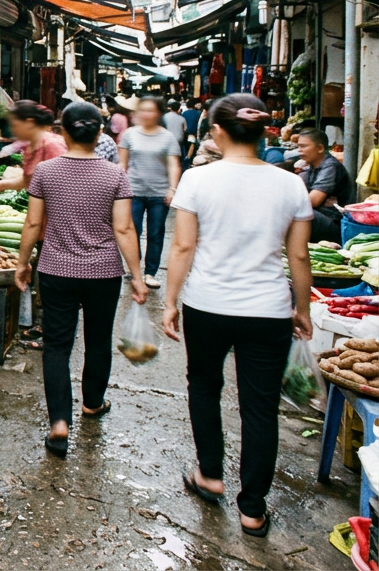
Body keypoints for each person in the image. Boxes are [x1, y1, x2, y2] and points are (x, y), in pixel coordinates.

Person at [163, 93, 313, 539]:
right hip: (267, 310)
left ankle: (210, 474)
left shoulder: (197, 179)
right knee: (260, 407)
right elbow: (298, 255)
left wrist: (170, 301)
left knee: (205, 388)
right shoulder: (291, 184)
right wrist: (301, 309)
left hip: (207, 304)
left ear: (217, 132)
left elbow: (184, 247)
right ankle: (252, 509)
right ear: (266, 131)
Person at [15, 102, 148, 458]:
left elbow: (31, 224)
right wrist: (137, 277)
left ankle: (60, 423)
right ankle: (92, 403)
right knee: (98, 340)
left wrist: (22, 262)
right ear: (100, 133)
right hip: (103, 272)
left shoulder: (46, 172)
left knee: (57, 346)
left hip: (56, 270)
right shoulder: (115, 175)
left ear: (63, 130)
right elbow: (124, 228)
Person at [118, 96, 181, 288]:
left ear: (158, 113)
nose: (146, 114)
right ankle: (133, 268)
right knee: (132, 230)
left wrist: (172, 188)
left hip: (159, 193)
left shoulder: (167, 137)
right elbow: (122, 164)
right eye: (142, 110)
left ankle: (150, 272)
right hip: (133, 191)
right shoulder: (129, 134)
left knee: (155, 233)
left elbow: (173, 165)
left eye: (150, 110)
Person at [0, 101, 67, 193]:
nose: (12, 130)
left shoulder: (52, 145)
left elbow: (64, 184)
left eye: (14, 125)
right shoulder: (30, 146)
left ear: (29, 122)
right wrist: (1, 185)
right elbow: (28, 180)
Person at [294, 128, 351, 243]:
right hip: (322, 217)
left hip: (334, 224)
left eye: (303, 146)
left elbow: (313, 201)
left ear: (320, 148)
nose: (299, 151)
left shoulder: (330, 166)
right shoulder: (313, 166)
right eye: (298, 146)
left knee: (294, 211)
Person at [181, 99, 204, 168]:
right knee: (192, 145)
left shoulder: (184, 113)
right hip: (194, 132)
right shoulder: (198, 113)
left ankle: (187, 158)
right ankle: (189, 158)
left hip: (186, 132)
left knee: (186, 146)